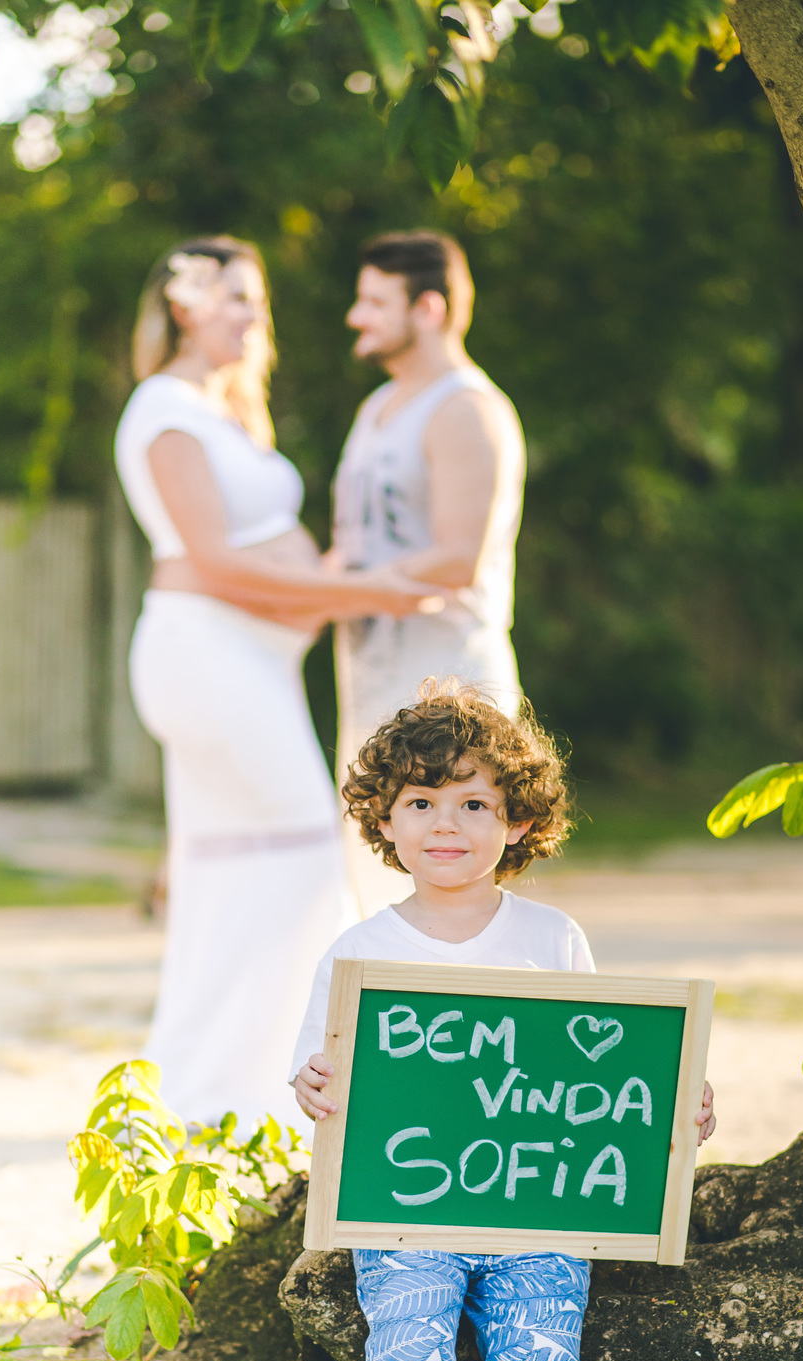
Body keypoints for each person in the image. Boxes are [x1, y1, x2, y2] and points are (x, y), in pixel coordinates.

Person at [290, 685, 716, 1361]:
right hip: (409, 1212)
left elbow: (601, 1068)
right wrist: (311, 1084)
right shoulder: (362, 953)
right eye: (421, 801)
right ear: (384, 820)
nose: (447, 824)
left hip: (540, 1214)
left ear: (519, 820)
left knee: (540, 1360)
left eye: (474, 802)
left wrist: (673, 1104)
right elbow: (323, 1074)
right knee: (405, 1351)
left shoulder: (552, 939)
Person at [115, 236, 435, 1132]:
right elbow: (213, 562)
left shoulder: (223, 416)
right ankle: (257, 1098)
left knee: (229, 875)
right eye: (235, 297)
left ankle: (210, 1104)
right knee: (302, 860)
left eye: (257, 299)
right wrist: (366, 592)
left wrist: (342, 579)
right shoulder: (165, 411)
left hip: (253, 667)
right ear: (183, 305)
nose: (254, 315)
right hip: (209, 664)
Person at [331, 232, 529, 913]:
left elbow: (457, 557)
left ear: (429, 309)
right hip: (369, 681)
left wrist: (332, 593)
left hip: (451, 689)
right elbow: (354, 547)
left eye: (374, 302)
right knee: (375, 889)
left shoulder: (466, 408)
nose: (356, 316)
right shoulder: (375, 409)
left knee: (450, 892)